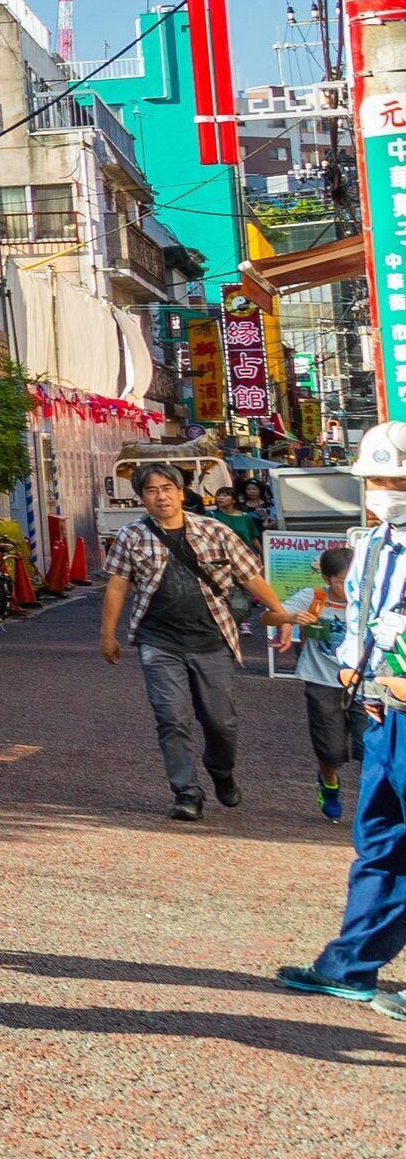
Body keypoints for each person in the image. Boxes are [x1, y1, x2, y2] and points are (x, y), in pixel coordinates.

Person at [281, 421, 406, 1012]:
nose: (382, 488)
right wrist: (357, 668)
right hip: (383, 710)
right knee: (379, 840)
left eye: (394, 477)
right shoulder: (372, 545)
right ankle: (349, 966)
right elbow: (361, 615)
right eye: (375, 478)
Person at [98, 457, 294, 821]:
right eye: (151, 491)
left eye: (167, 489)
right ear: (141, 497)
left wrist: (280, 615)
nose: (161, 497)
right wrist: (107, 634)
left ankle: (221, 771)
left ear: (182, 491)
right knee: (171, 717)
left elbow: (251, 576)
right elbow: (117, 585)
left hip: (213, 639)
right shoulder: (132, 536)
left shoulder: (216, 531)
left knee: (221, 721)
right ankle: (186, 791)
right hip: (158, 640)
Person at [289, 543, 361, 822]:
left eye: (355, 581)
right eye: (343, 582)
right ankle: (329, 783)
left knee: (371, 749)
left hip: (363, 684)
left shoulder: (371, 600)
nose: (350, 588)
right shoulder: (314, 598)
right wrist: (289, 618)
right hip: (322, 681)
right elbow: (271, 614)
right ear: (327, 579)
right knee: (330, 749)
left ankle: (373, 807)